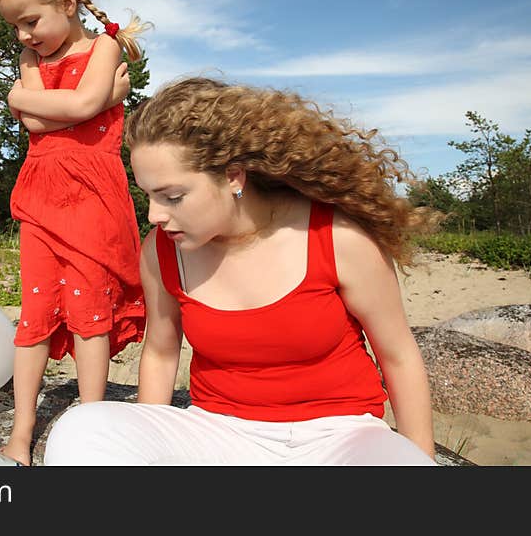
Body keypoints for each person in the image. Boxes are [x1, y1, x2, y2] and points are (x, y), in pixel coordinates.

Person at [43, 76, 442, 465]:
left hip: (341, 438)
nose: (155, 215)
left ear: (233, 176)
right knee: (82, 426)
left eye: (173, 196)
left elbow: (398, 355)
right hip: (218, 434)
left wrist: (420, 456)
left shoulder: (337, 237)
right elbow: (162, 353)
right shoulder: (162, 251)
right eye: (148, 195)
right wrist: (153, 439)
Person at [0, 0, 150, 465]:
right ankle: (22, 430)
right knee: (35, 306)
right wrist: (100, 100)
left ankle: (91, 423)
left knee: (89, 308)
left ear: (66, 1)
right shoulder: (30, 57)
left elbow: (69, 106)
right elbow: (39, 119)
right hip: (41, 190)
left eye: (30, 21)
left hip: (91, 193)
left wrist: (66, 102)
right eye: (15, 26)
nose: (23, 35)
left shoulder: (104, 47)